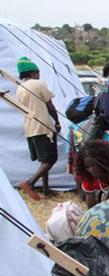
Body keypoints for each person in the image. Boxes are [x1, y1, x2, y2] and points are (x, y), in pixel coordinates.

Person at [15, 57, 60, 201]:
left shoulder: (20, 88)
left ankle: (46, 189)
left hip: (30, 128)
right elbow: (50, 106)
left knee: (44, 160)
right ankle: (30, 183)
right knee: (51, 159)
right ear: (34, 72)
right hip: (44, 127)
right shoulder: (38, 84)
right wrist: (57, 123)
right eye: (38, 72)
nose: (39, 74)